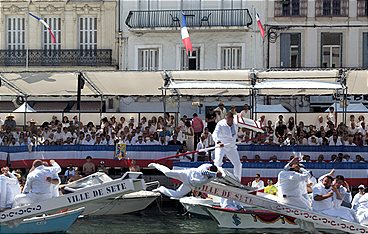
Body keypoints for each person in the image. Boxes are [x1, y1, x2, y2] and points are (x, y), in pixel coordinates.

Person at [148, 163, 222, 199]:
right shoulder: (205, 167)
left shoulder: (212, 177)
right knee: (168, 173)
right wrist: (215, 174)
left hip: (190, 185)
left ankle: (161, 189)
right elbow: (205, 172)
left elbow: (220, 175)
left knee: (177, 195)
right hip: (187, 175)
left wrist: (216, 175)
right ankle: (156, 165)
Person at [212, 112, 241, 180]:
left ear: (232, 119)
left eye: (229, 120)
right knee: (218, 162)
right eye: (226, 119)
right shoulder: (221, 124)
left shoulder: (236, 123)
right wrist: (218, 142)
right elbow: (214, 134)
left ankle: (237, 180)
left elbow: (247, 124)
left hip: (232, 147)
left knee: (238, 164)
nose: (227, 121)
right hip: (221, 146)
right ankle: (215, 178)